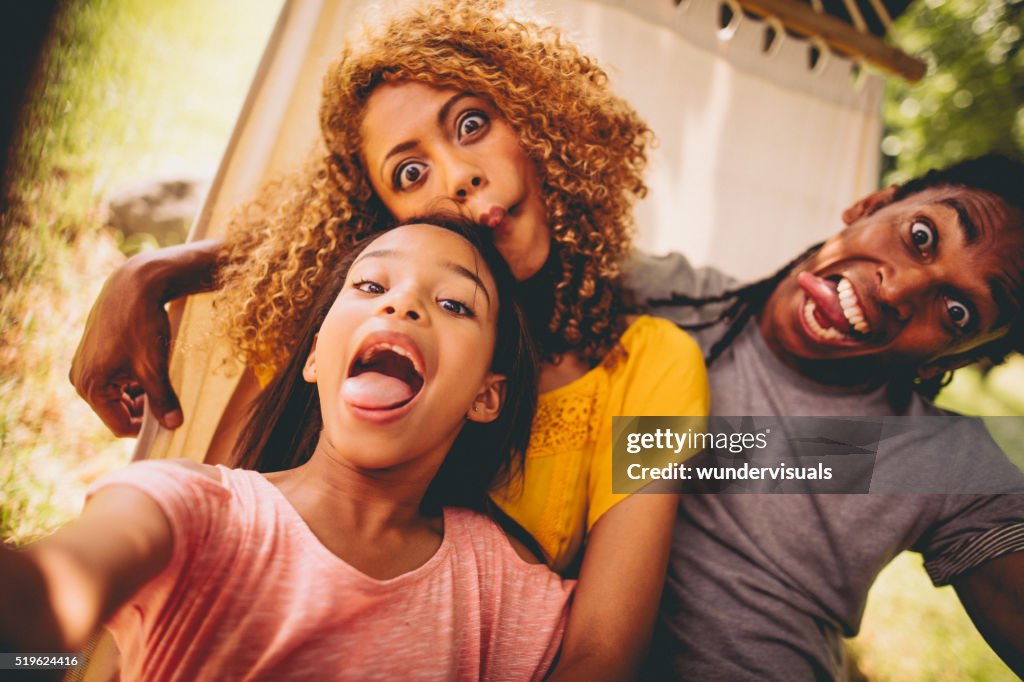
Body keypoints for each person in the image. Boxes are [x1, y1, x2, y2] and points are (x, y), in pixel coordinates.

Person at [69, 1, 709, 676]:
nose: (457, 177)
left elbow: (600, 656)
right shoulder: (344, 330)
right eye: (411, 173)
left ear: (539, 119)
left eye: (472, 124)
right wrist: (147, 271)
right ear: (388, 218)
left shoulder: (654, 367)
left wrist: (158, 268)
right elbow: (213, 527)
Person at [2, 219, 579, 681]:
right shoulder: (193, 508)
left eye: (454, 304)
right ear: (314, 354)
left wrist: (668, 418)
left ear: (486, 395)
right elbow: (50, 593)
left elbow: (607, 653)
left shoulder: (496, 589)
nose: (402, 305)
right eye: (372, 286)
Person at [631, 154, 1024, 679]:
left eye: (957, 312)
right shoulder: (651, 299)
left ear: (949, 359)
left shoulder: (941, 463)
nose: (896, 289)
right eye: (923, 235)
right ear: (872, 204)